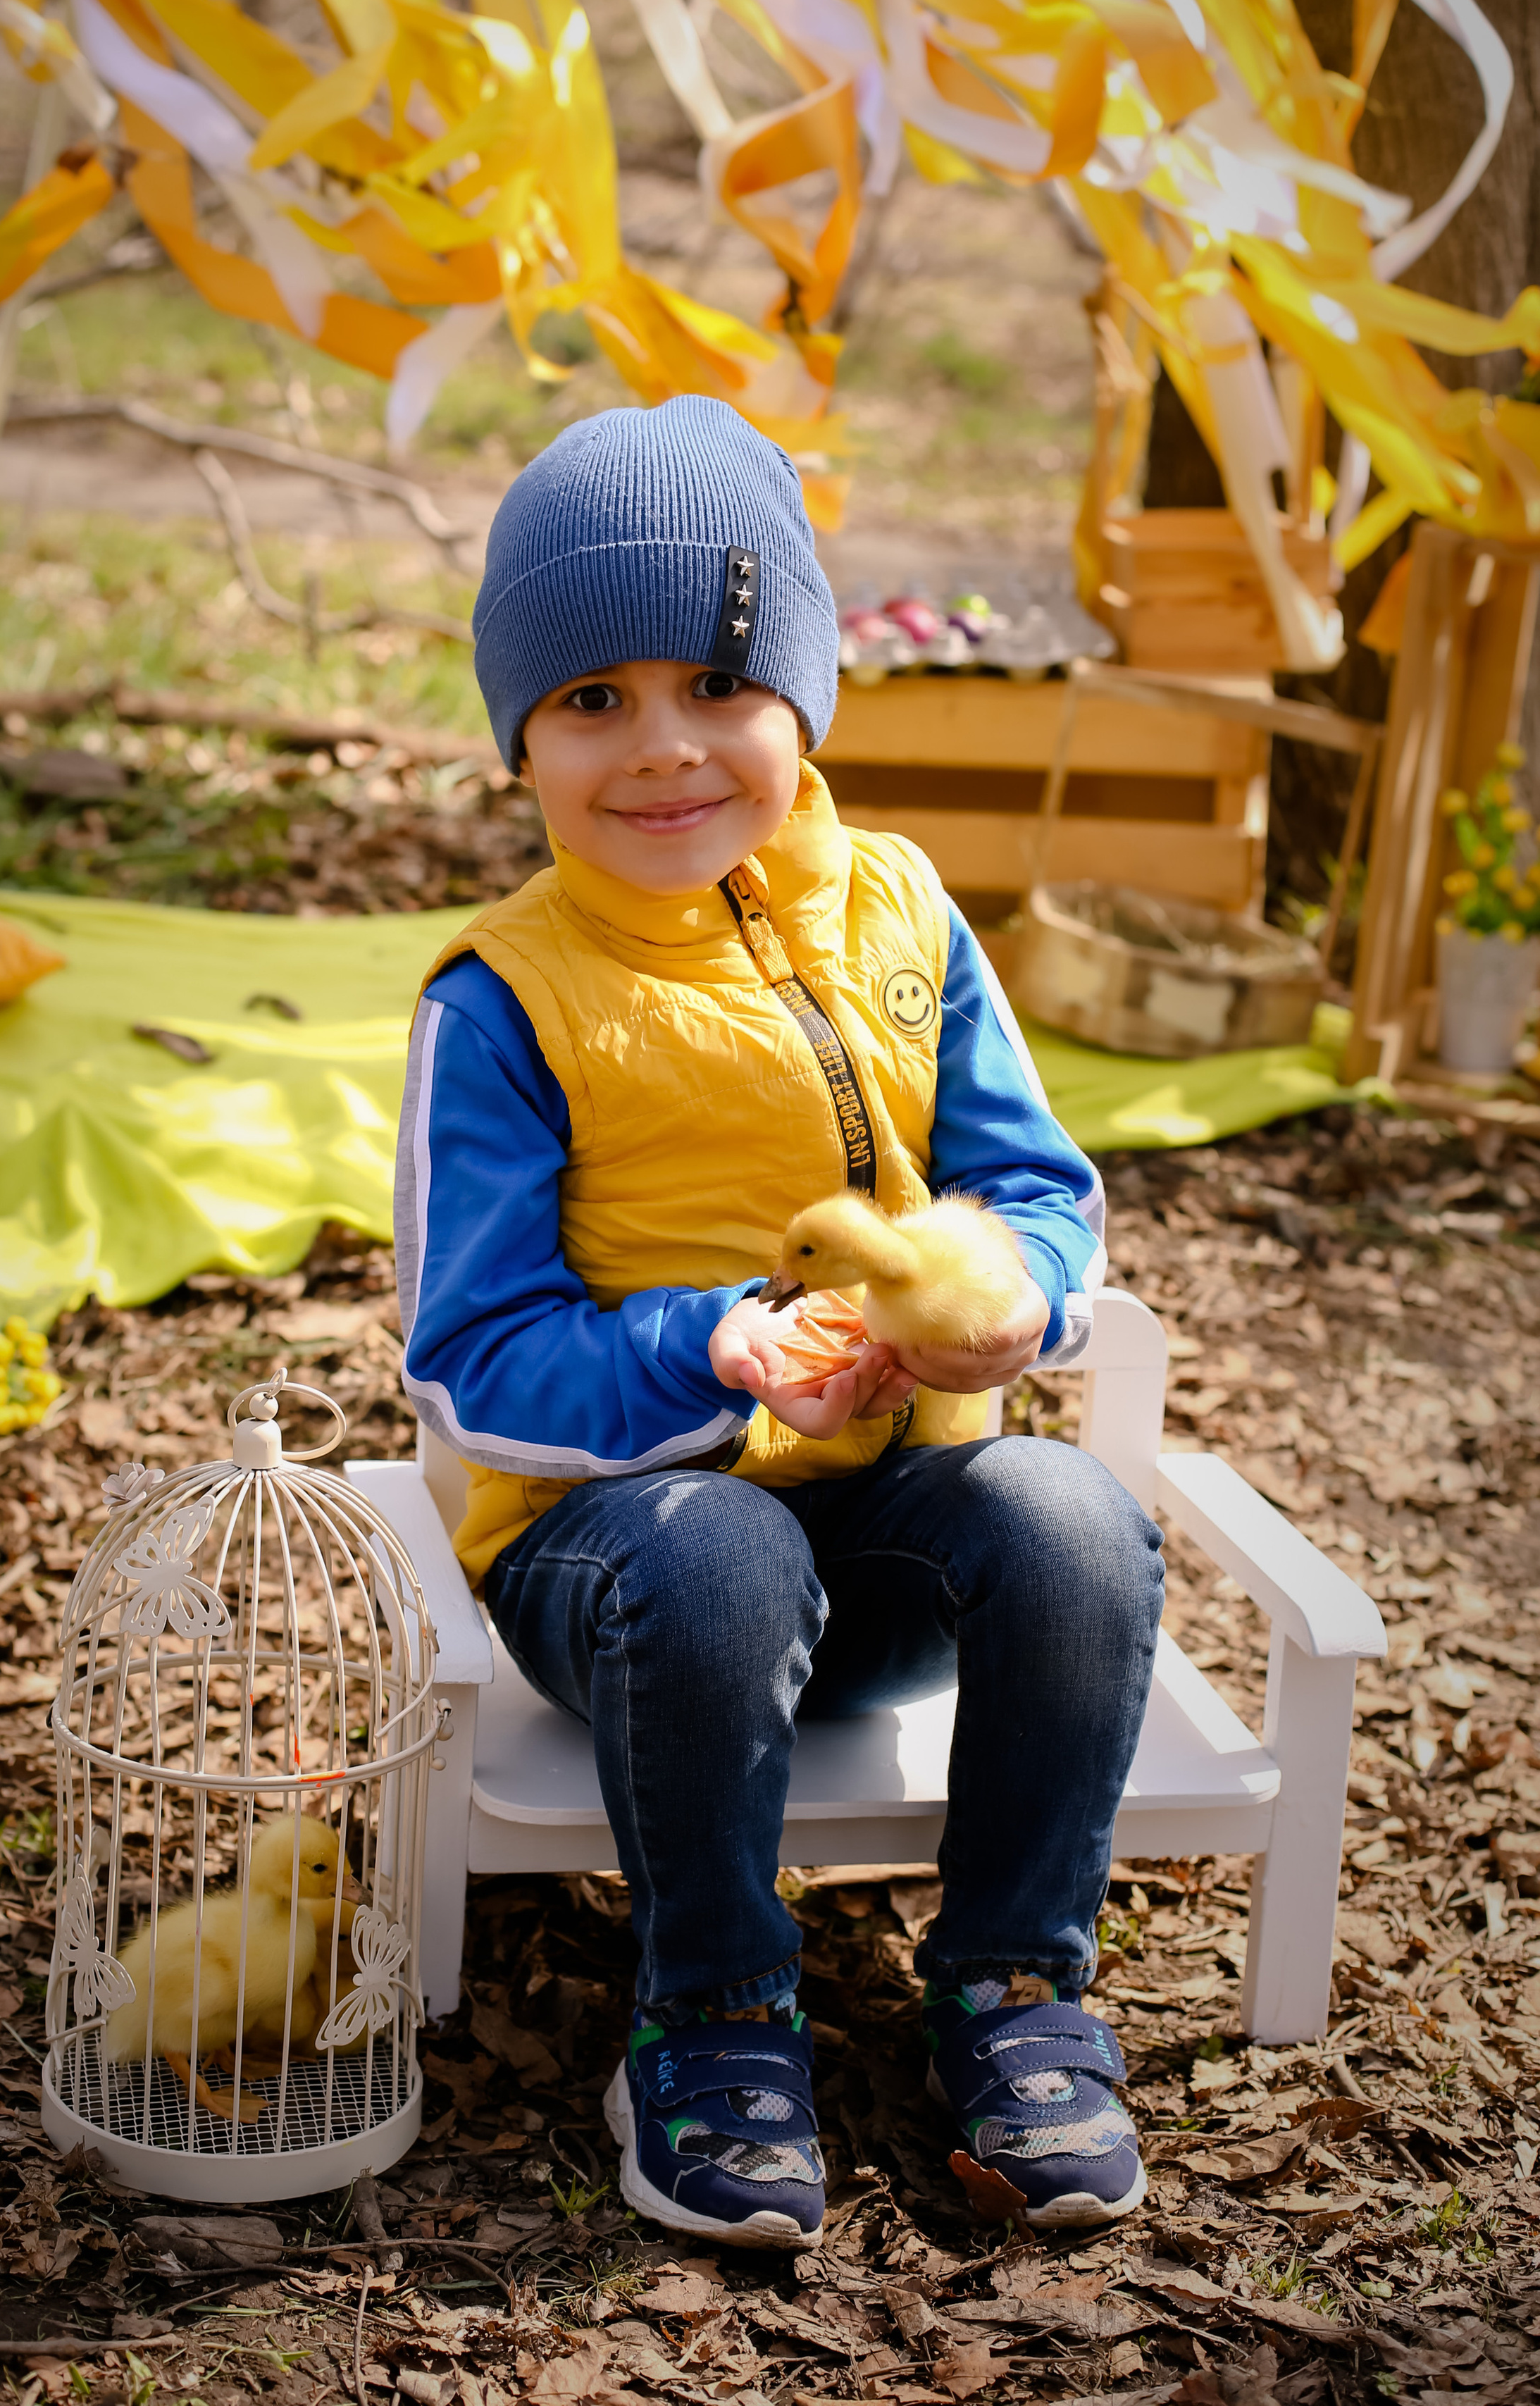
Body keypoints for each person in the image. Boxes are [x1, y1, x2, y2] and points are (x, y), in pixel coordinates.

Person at [395, 397, 1164, 2248]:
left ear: (806, 702)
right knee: (723, 1553)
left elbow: (1039, 1186)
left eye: (716, 686)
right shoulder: (507, 1001)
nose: (662, 749)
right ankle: (718, 2008)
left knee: (1072, 1518)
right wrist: (711, 1347)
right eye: (590, 702)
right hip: (625, 1565)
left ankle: (1012, 1982)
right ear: (521, 743)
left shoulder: (903, 911)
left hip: (886, 1544)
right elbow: (469, 1359)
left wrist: (1015, 1309)